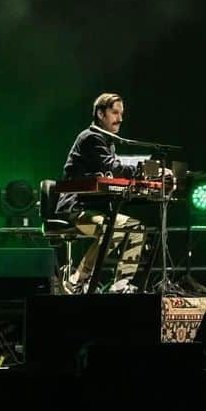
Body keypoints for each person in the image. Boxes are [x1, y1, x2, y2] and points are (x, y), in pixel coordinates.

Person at [56, 93, 148, 293]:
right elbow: (113, 168)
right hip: (75, 208)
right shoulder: (90, 138)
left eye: (121, 113)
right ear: (100, 113)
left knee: (136, 227)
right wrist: (147, 170)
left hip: (95, 209)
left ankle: (121, 284)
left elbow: (111, 174)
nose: (120, 119)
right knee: (110, 229)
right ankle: (76, 279)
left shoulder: (108, 142)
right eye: (115, 113)